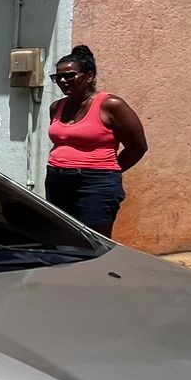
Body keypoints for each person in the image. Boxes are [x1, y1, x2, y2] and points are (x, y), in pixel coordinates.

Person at [46, 44, 147, 236]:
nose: (63, 81)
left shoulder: (110, 105)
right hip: (57, 179)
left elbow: (138, 147)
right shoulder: (56, 107)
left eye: (69, 75)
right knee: (61, 235)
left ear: (89, 76)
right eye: (58, 77)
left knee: (94, 239)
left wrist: (106, 170)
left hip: (96, 183)